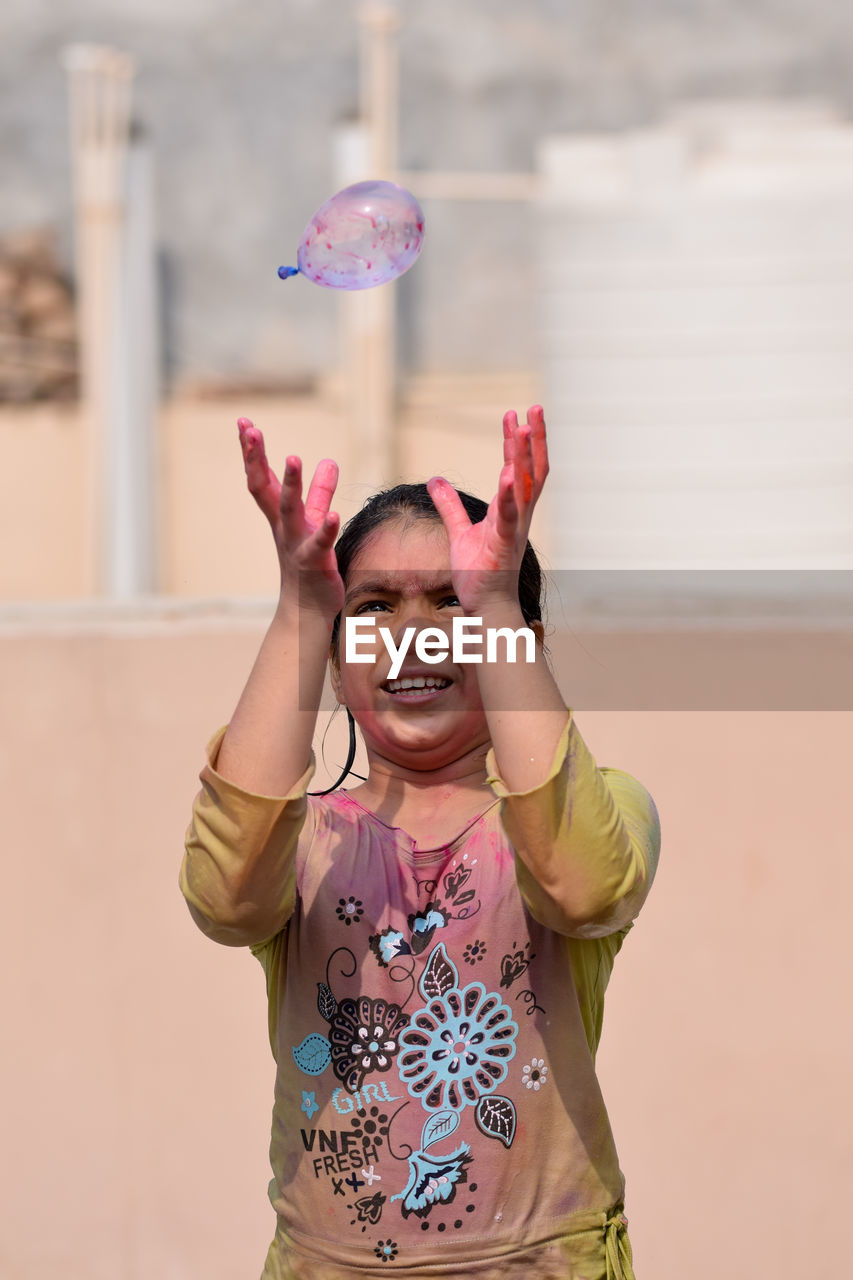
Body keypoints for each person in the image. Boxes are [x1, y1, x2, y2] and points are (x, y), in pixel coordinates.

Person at [180, 405, 660, 1280]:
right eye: (371, 609)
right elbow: (223, 899)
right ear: (332, 659)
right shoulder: (307, 843)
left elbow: (583, 890)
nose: (415, 633)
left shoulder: (602, 811)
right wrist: (298, 607)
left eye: (454, 603)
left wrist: (495, 603)